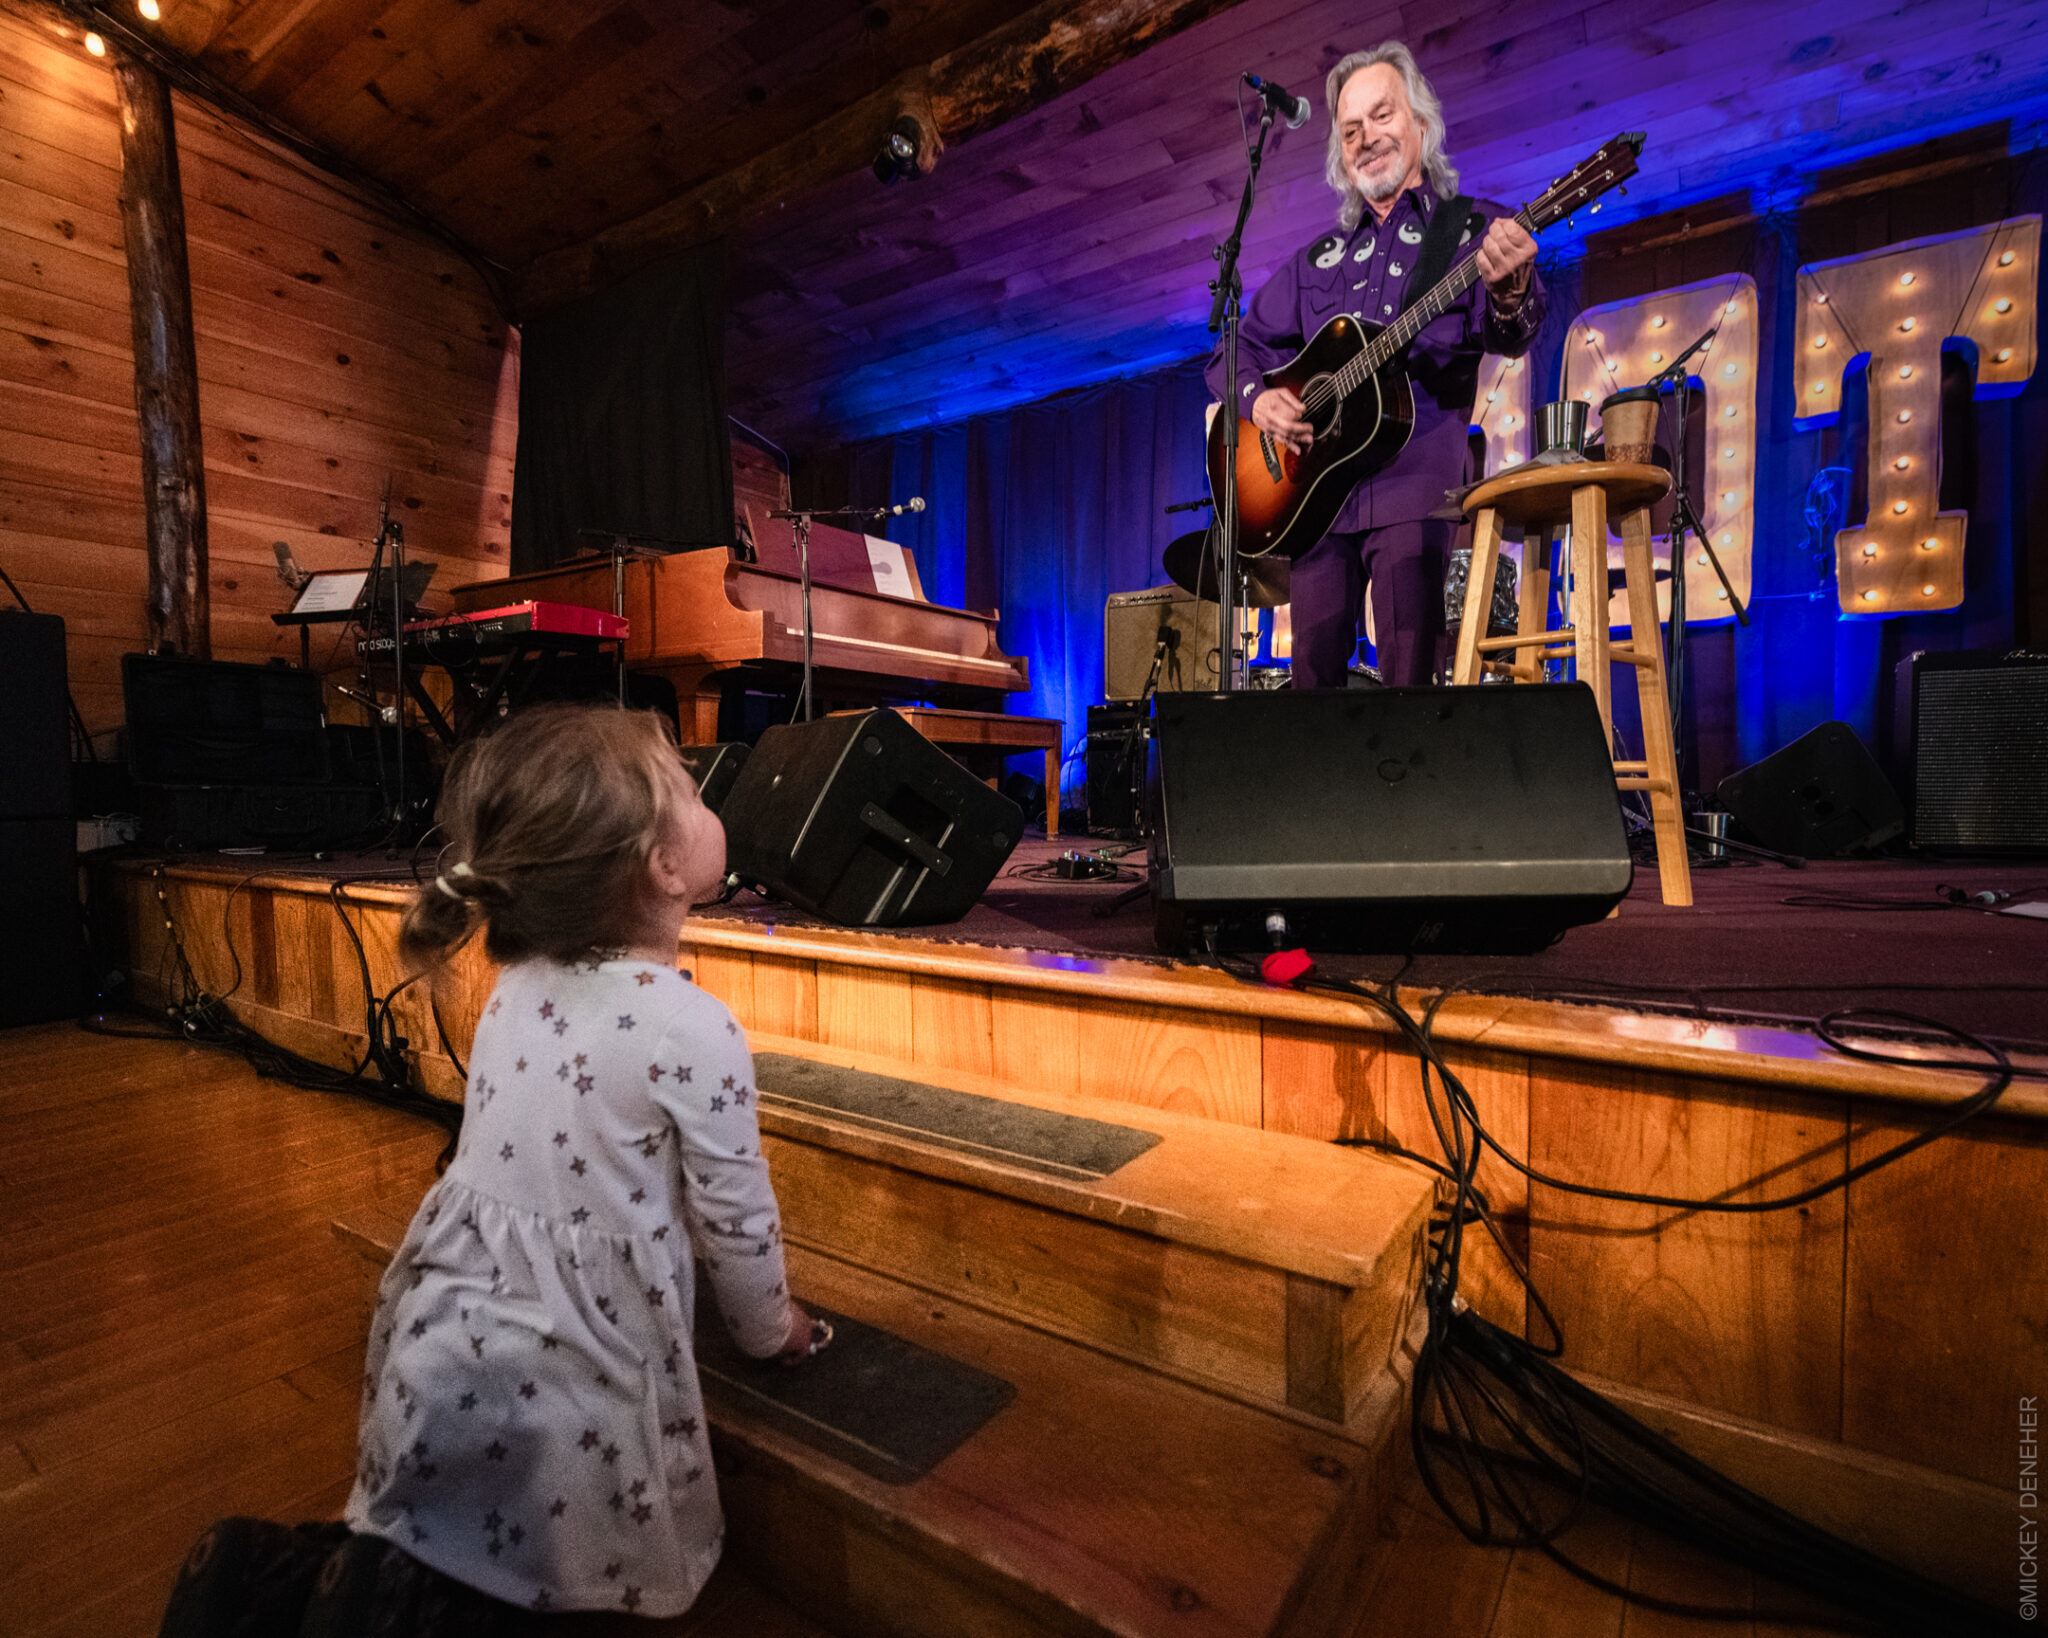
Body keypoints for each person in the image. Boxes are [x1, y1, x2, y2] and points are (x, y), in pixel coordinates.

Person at [343, 704, 823, 1621]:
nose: (703, 790)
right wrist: (772, 1331)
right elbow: (735, 1218)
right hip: (580, 1376)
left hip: (442, 1342)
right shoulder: (694, 1028)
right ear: (665, 867)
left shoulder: (513, 986)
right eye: (685, 785)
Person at [1208, 42, 1546, 688]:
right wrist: (1258, 400)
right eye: (1351, 129)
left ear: (1420, 122)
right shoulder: (1316, 261)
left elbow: (1513, 332)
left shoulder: (1470, 231)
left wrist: (1510, 291)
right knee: (1310, 685)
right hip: (1314, 499)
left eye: (1382, 116)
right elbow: (1236, 348)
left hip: (1414, 485)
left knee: (1410, 682)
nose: (1367, 139)